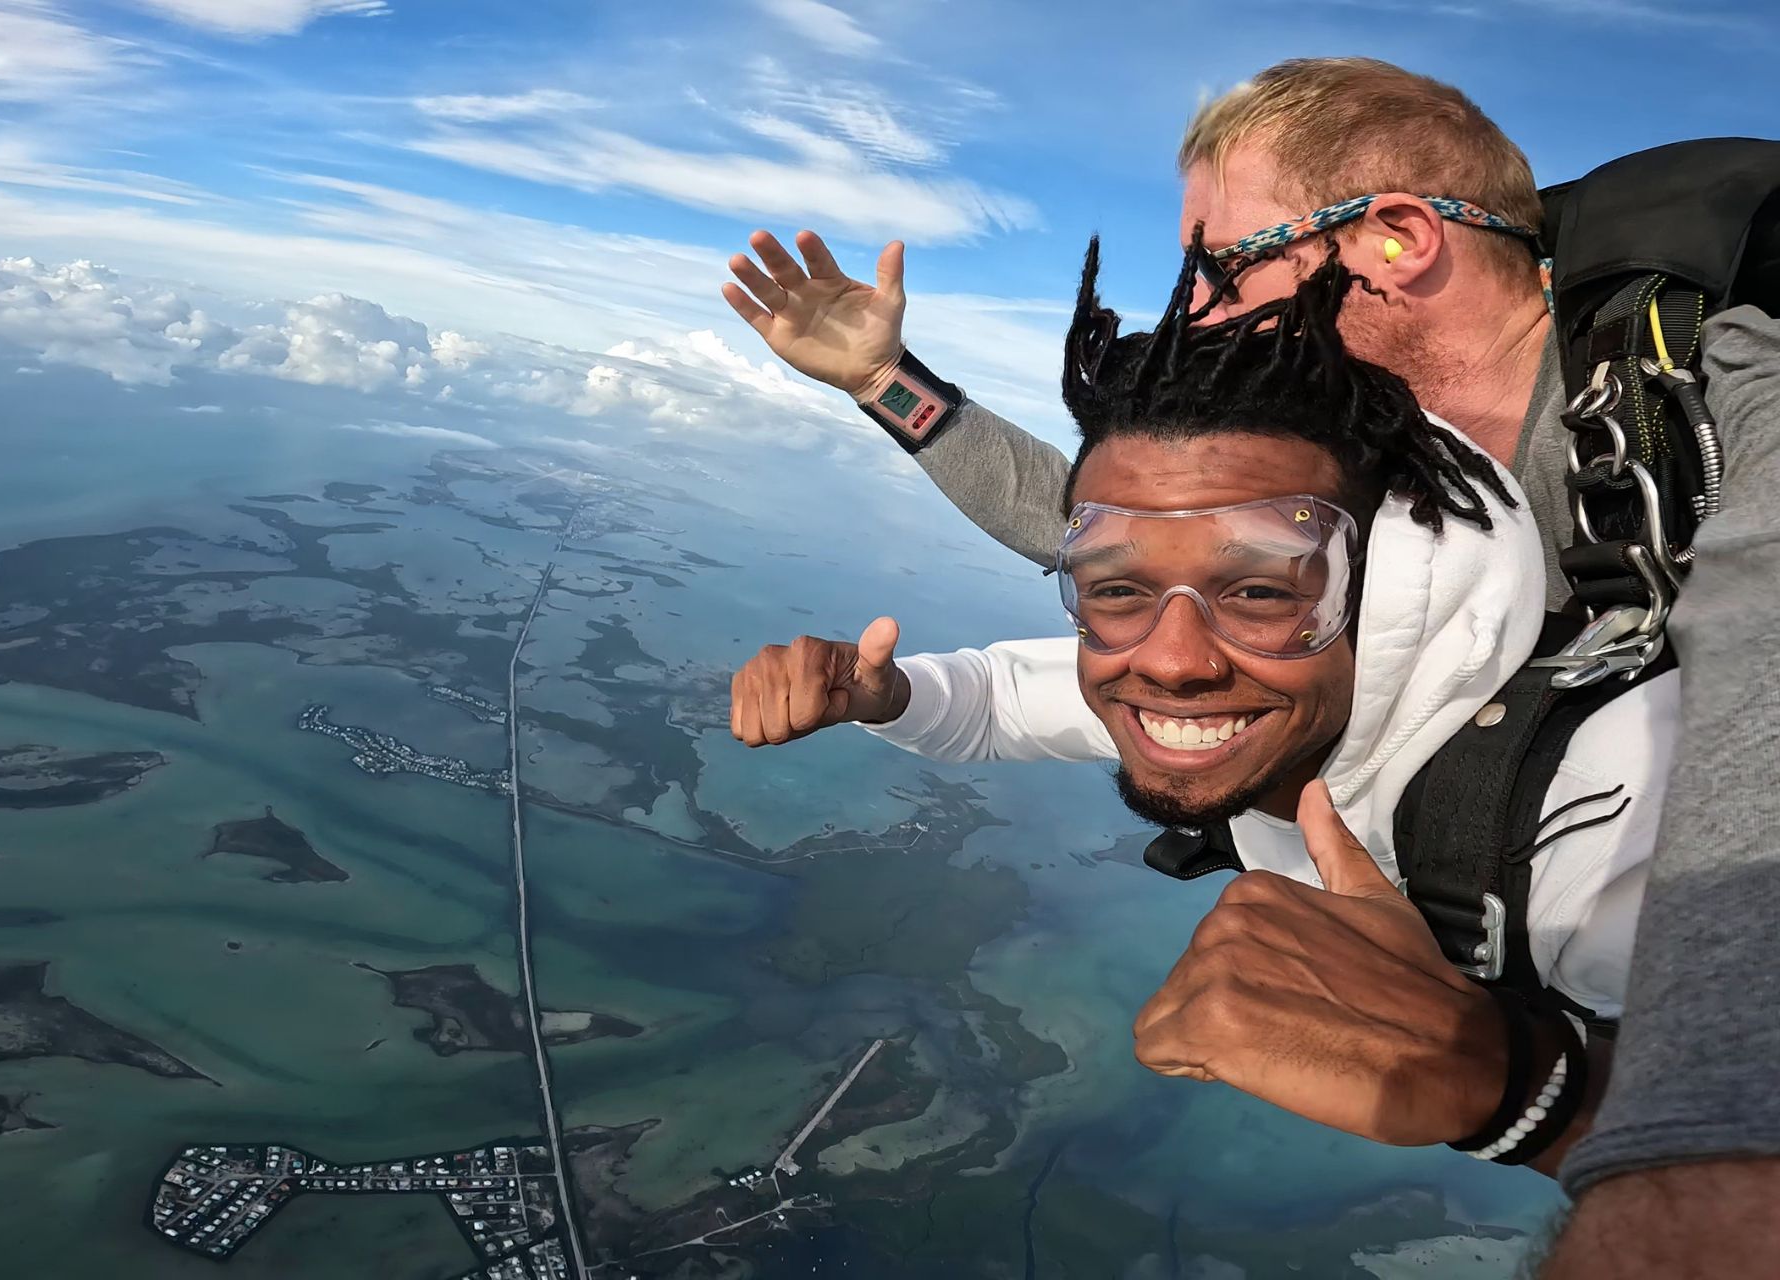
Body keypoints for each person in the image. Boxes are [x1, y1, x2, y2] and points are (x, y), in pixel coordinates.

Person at [722, 58, 1780, 1273]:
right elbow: (1138, 542)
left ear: (1394, 239)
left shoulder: (1720, 383)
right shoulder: (1388, 454)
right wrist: (884, 381)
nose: (1205, 316)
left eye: (1223, 268)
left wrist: (1693, 1148)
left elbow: (1764, 643)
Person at [734, 236, 1676, 1175]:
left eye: (1263, 592)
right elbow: (998, 700)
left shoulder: (1612, 816)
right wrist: (884, 694)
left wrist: (1523, 1094)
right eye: (1116, 589)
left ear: (1395, 597)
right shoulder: (1226, 692)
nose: (1174, 665)